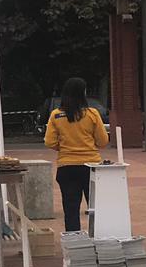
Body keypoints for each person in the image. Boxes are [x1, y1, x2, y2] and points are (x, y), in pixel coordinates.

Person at [44, 76, 108, 233]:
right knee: (96, 208)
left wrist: (65, 147)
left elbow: (49, 142)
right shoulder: (92, 114)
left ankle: (74, 243)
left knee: (71, 209)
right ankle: (99, 239)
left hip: (67, 166)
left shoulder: (56, 115)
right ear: (83, 93)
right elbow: (103, 141)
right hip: (91, 166)